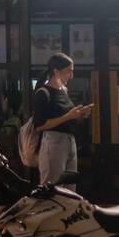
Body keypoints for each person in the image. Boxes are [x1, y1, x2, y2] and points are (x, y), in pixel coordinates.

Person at [32, 53, 92, 185]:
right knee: (52, 189)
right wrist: (68, 116)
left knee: (70, 191)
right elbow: (40, 125)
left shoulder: (63, 91)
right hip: (53, 142)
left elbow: (67, 118)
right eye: (68, 72)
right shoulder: (43, 93)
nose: (71, 76)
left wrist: (80, 115)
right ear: (56, 71)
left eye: (72, 71)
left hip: (69, 141)